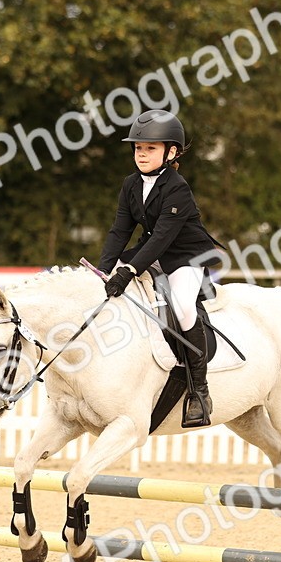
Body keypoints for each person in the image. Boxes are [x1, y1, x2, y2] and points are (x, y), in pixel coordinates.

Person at [98, 109, 223, 428]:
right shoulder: (130, 184)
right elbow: (120, 231)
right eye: (139, 148)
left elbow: (164, 238)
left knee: (182, 308)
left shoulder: (177, 187)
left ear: (171, 152)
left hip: (186, 256)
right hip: (152, 250)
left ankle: (199, 392)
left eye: (150, 148)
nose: (142, 154)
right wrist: (104, 270)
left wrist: (127, 271)